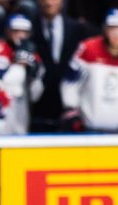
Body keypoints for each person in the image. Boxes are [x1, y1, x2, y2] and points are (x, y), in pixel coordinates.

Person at [60, 9, 118, 143]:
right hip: (88, 130)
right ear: (105, 29)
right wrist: (71, 110)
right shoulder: (87, 49)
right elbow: (70, 84)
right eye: (112, 28)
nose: (117, 33)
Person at [29, 0, 87, 132]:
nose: (49, 2)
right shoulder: (29, 28)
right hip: (38, 109)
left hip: (70, 109)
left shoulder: (78, 28)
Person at [0, 13, 43, 135]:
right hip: (0, 105)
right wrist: (19, 64)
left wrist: (33, 74)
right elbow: (5, 85)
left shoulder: (32, 53)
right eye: (16, 31)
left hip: (22, 107)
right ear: (8, 31)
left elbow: (35, 94)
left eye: (24, 32)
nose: (21, 36)